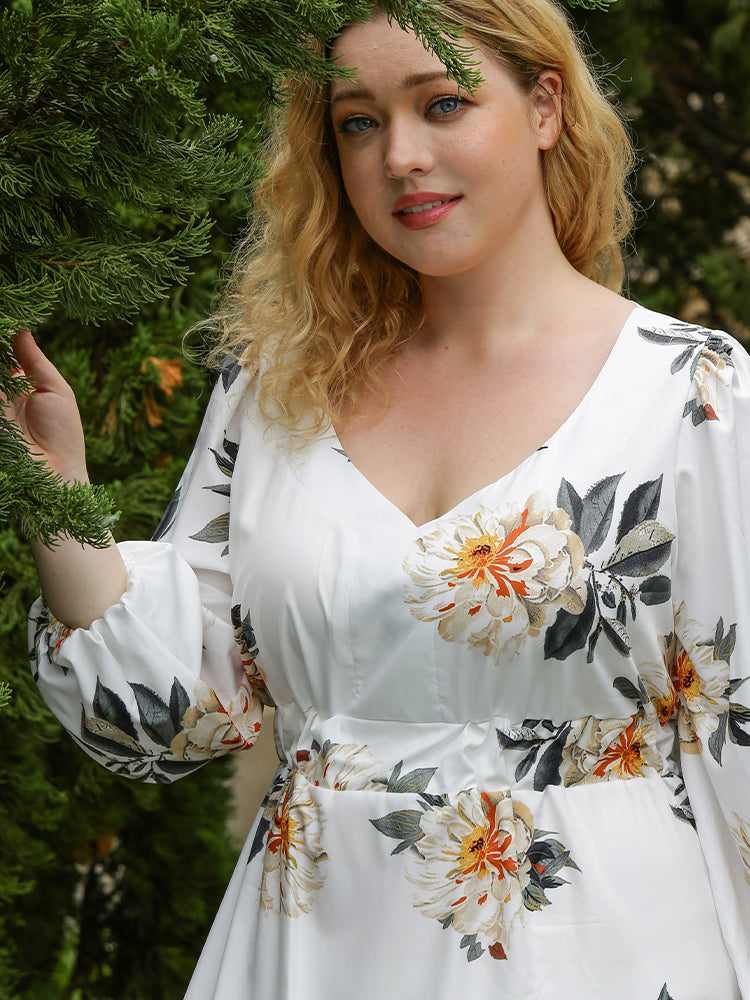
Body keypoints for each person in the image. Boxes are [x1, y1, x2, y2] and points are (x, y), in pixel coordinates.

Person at [9, 0, 750, 996]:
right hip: (312, 950)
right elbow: (179, 715)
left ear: (545, 107)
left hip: (603, 951)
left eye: (442, 104)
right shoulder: (273, 389)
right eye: (359, 121)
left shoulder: (692, 392)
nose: (400, 154)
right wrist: (53, 498)